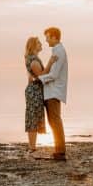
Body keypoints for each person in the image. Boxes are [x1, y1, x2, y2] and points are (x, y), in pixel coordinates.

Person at [33, 26, 68, 160]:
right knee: (53, 122)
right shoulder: (56, 50)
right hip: (51, 91)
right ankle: (58, 150)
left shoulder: (59, 51)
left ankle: (60, 152)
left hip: (54, 91)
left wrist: (39, 79)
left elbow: (54, 75)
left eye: (47, 37)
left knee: (55, 121)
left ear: (54, 37)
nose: (46, 40)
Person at [23, 36, 58, 155]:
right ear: (33, 46)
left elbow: (31, 77)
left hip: (34, 90)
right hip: (34, 92)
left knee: (34, 117)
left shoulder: (33, 59)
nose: (41, 44)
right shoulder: (33, 60)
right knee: (33, 118)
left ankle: (32, 147)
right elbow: (41, 75)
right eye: (38, 43)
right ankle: (32, 148)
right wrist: (50, 62)